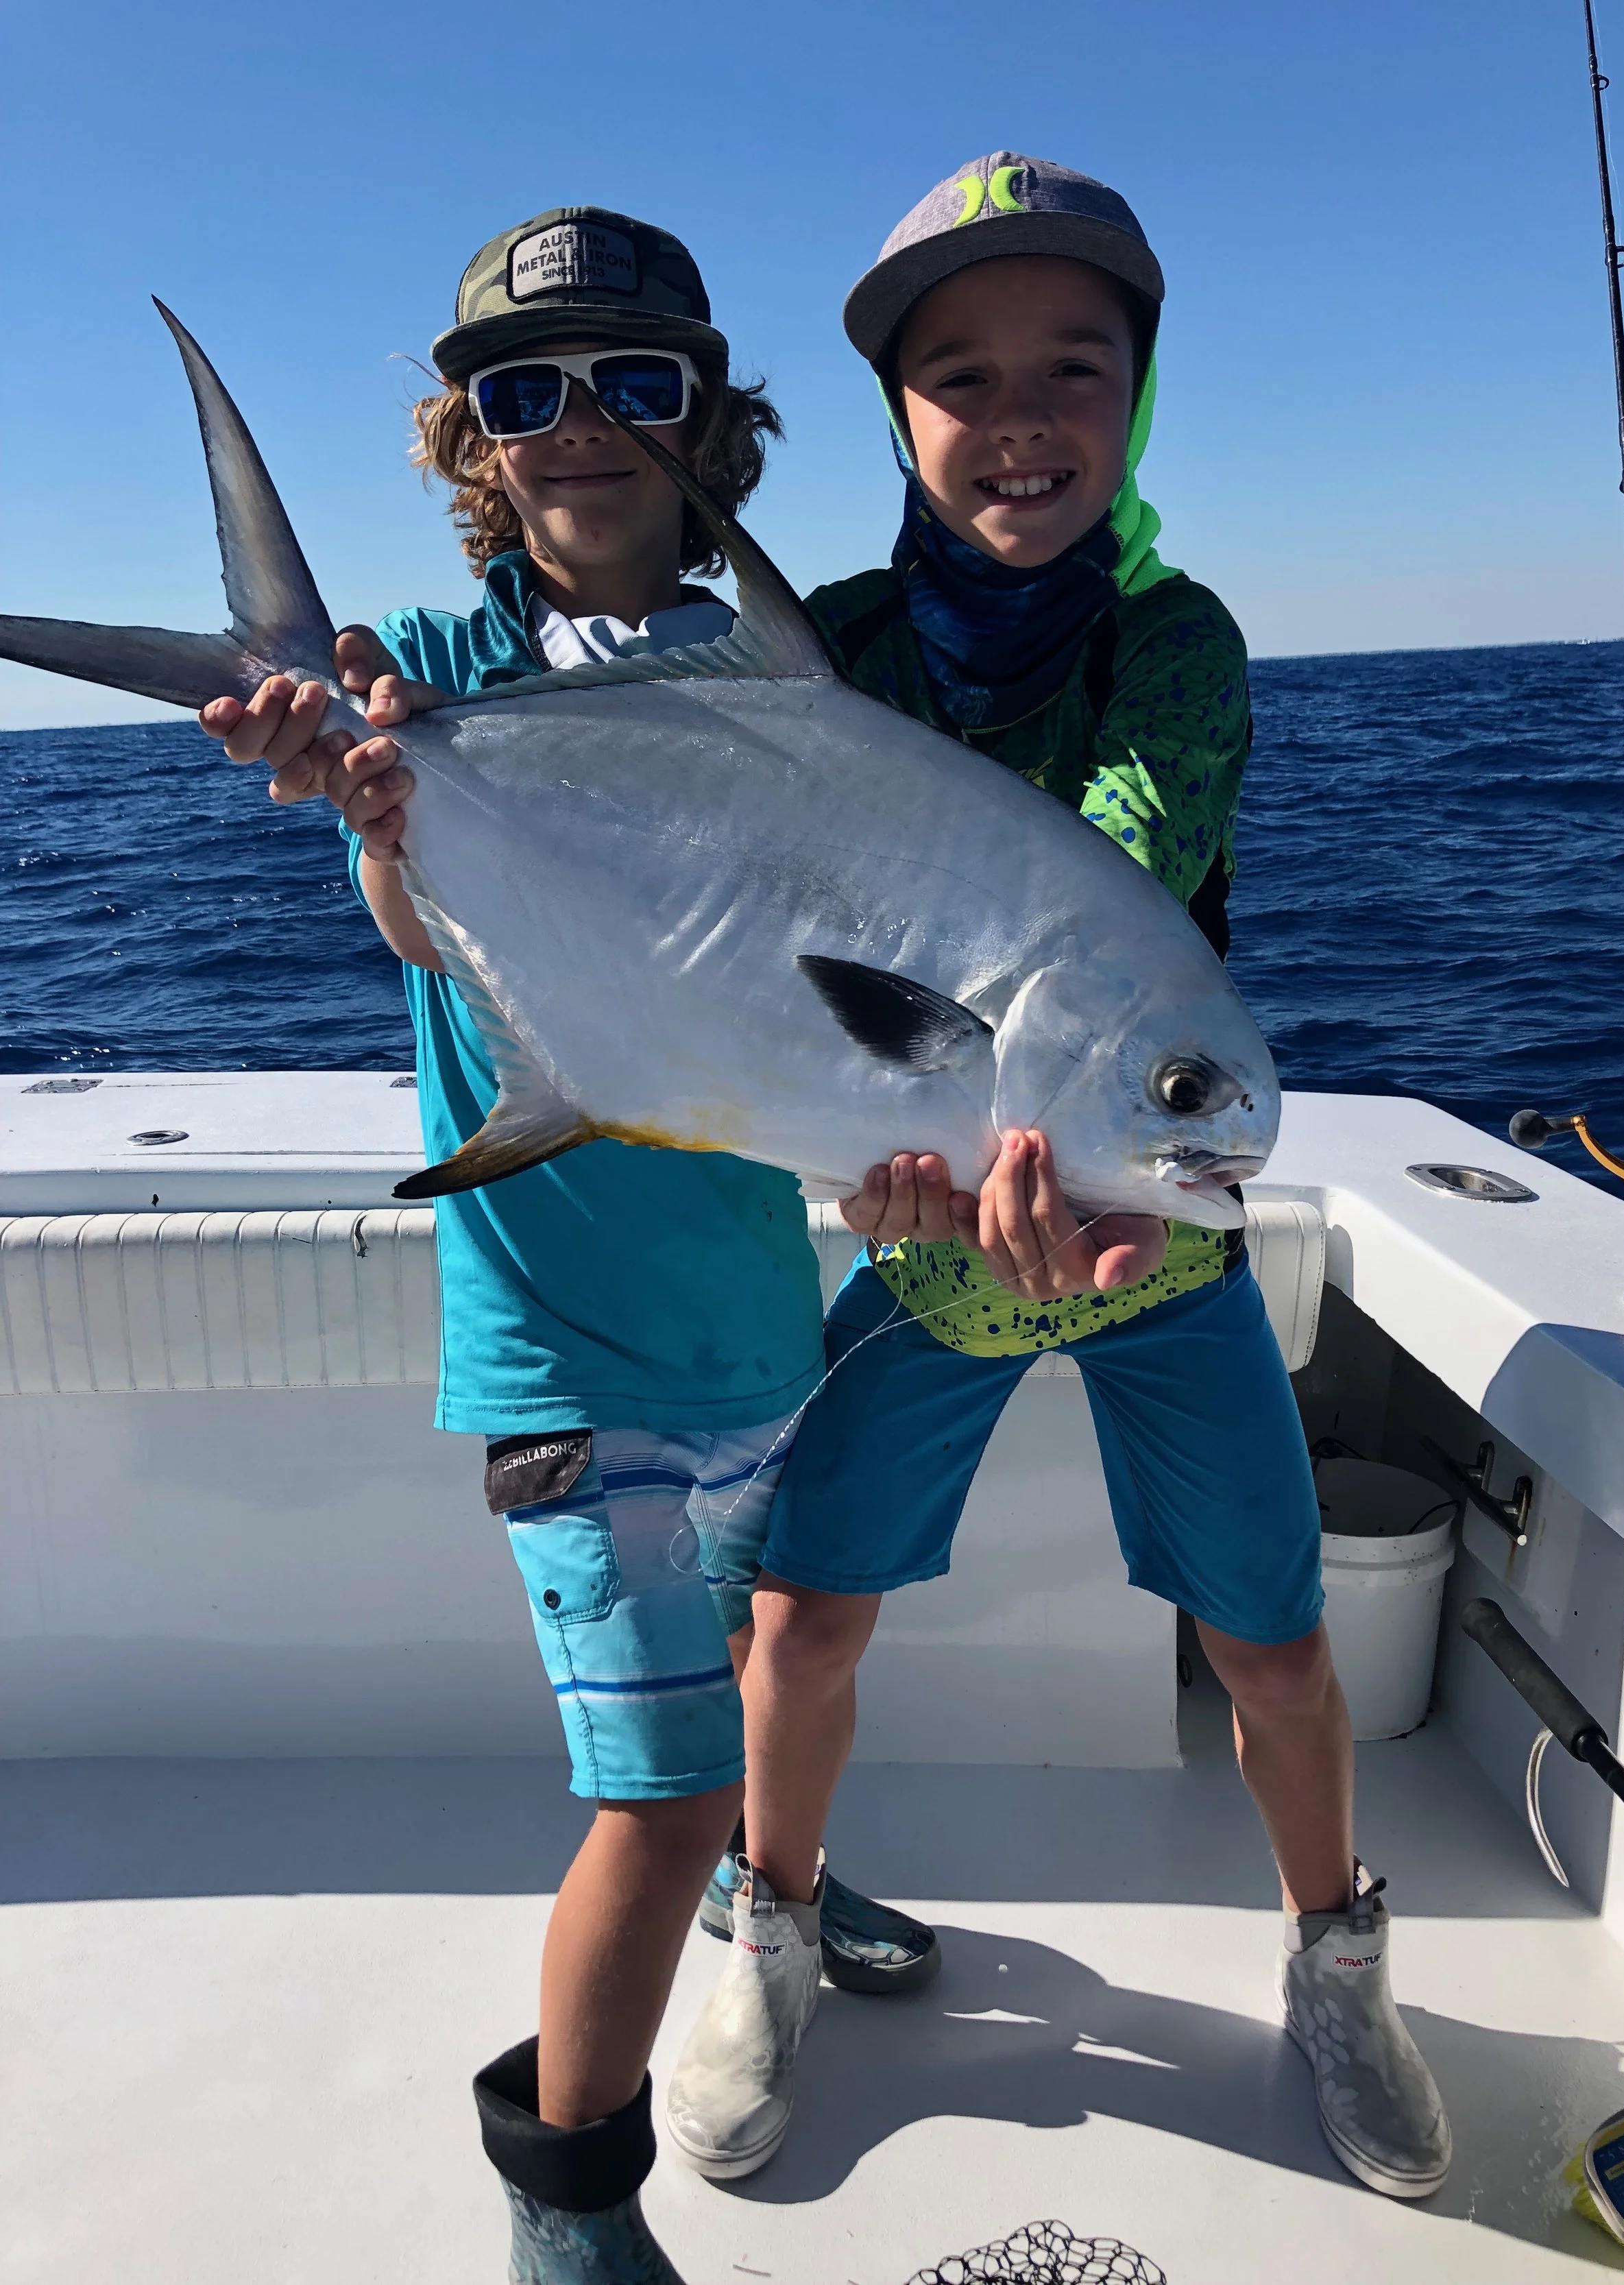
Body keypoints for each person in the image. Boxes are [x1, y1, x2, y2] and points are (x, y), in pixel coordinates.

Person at [665, 155, 1454, 2206]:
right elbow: (751, 935)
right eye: (960, 376)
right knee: (801, 1618)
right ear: (895, 415)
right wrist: (869, 1141)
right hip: (927, 1255)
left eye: (1072, 370)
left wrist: (1012, 1089)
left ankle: (1333, 1958)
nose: (1019, 421)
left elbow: (1111, 840)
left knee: (1273, 1647)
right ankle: (768, 1918)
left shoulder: (1174, 643)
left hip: (1147, 1226)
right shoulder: (817, 650)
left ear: (1138, 397)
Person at [200, 204, 934, 2285]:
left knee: (780, 1681)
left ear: (715, 421)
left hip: (756, 1327)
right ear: (471, 447)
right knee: (660, 1792)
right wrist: (358, 793)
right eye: (525, 392)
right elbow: (427, 933)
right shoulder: (416, 680)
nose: (582, 424)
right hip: (557, 1356)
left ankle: (761, 1892)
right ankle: (565, 2207)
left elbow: (842, 984)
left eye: (638, 380)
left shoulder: (783, 676)